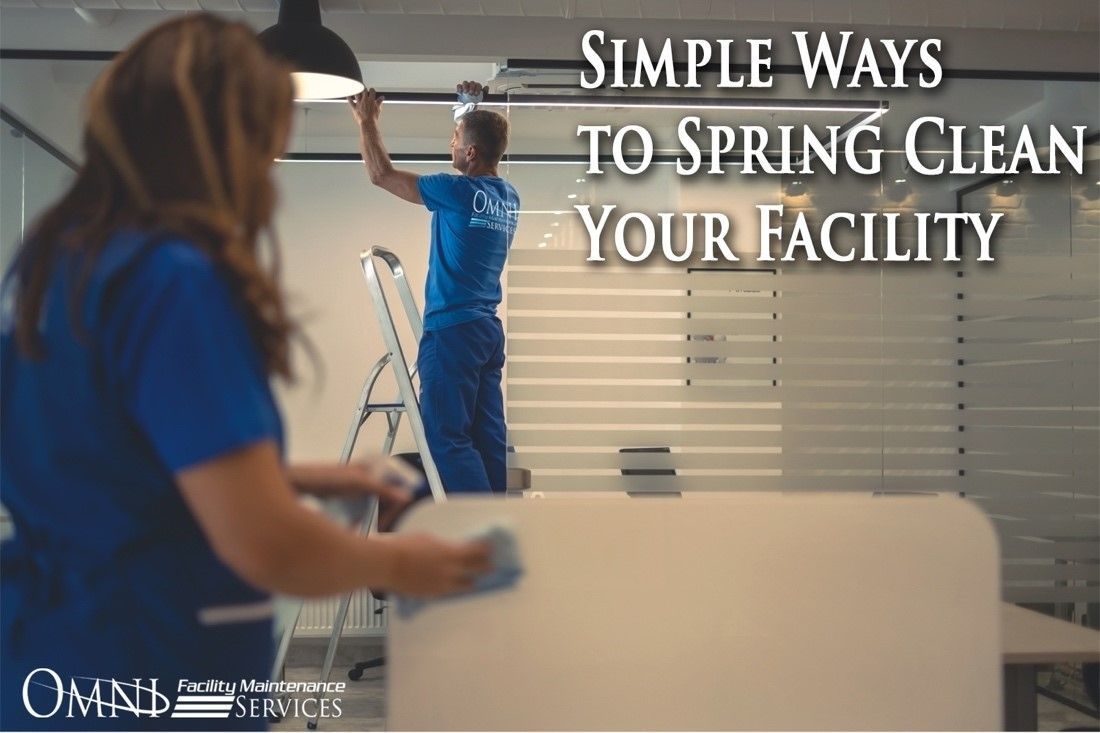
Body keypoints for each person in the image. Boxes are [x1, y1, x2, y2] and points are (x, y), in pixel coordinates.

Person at [0, 15, 490, 731]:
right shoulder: (173, 280)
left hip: (53, 668)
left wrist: (302, 479)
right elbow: (266, 543)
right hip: (159, 671)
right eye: (264, 140)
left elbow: (115, 471)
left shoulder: (53, 261)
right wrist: (403, 564)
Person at [350, 83, 519, 496]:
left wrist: (367, 122)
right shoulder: (508, 197)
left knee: (446, 439)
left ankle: (482, 528)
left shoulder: (455, 191)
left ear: (471, 152)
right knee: (488, 438)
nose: (451, 144)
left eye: (455, 139)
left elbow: (381, 174)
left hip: (452, 331)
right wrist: (467, 111)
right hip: (485, 332)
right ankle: (504, 520)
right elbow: (475, 148)